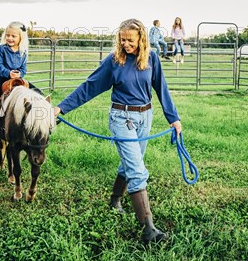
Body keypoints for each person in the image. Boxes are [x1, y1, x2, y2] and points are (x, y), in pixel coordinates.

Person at [54, 18, 182, 243]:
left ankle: (115, 200)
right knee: (137, 170)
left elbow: (162, 88)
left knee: (130, 162)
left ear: (141, 38)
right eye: (122, 39)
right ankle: (149, 230)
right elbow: (89, 86)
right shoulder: (114, 61)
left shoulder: (151, 58)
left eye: (130, 40)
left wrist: (173, 118)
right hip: (121, 117)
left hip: (145, 116)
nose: (125, 44)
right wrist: (61, 108)